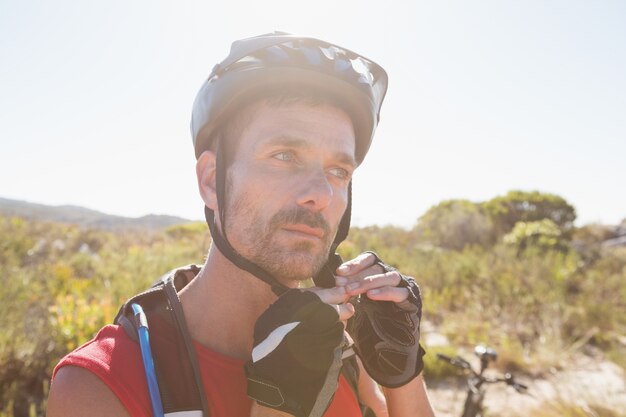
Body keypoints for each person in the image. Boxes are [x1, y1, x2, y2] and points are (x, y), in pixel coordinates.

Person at [46, 32, 436, 417]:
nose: (322, 194)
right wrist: (278, 406)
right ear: (211, 181)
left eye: (338, 170)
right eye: (285, 155)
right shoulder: (100, 383)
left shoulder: (343, 343)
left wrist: (401, 375)